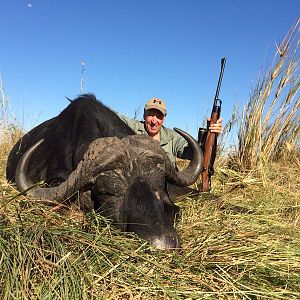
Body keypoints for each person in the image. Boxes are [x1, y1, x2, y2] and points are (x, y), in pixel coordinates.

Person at [117, 97, 223, 167]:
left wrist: (211, 135)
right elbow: (110, 115)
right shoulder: (132, 127)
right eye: (150, 115)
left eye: (159, 116)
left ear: (164, 118)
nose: (154, 121)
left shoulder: (172, 137)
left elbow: (194, 153)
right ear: (144, 115)